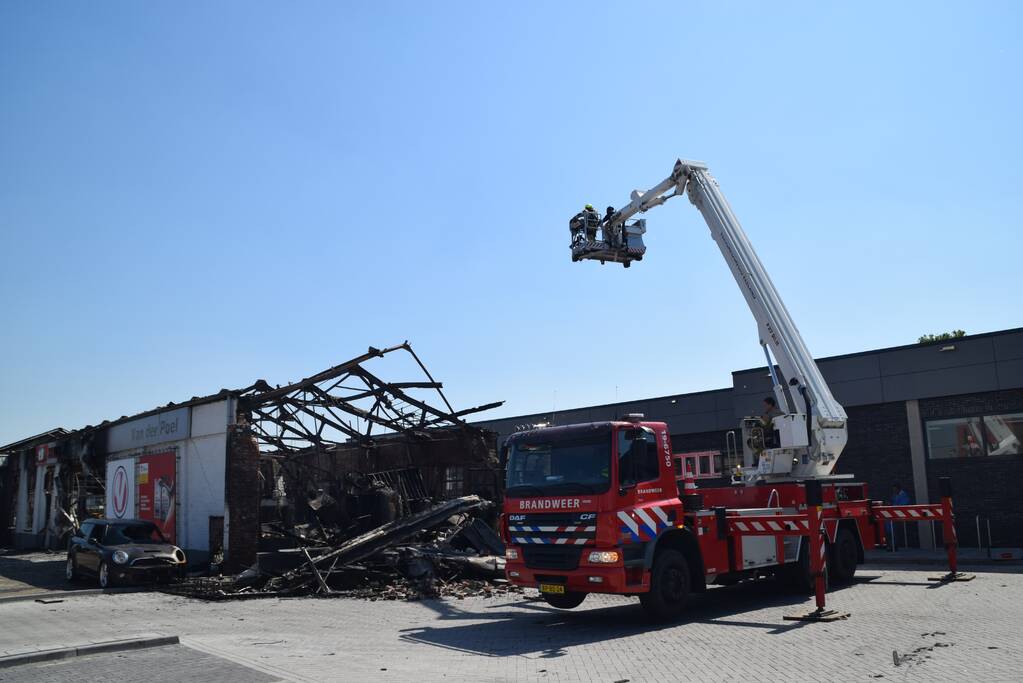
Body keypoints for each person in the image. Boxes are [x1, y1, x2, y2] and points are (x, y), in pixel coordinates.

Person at [887, 483, 911, 550]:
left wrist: (893, 506)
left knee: (893, 530)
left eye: (895, 489)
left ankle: (893, 545)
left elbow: (903, 505)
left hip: (899, 515)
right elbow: (892, 501)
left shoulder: (903, 495)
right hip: (893, 515)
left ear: (898, 489)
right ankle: (891, 544)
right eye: (893, 490)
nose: (894, 491)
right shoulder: (895, 495)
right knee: (890, 530)